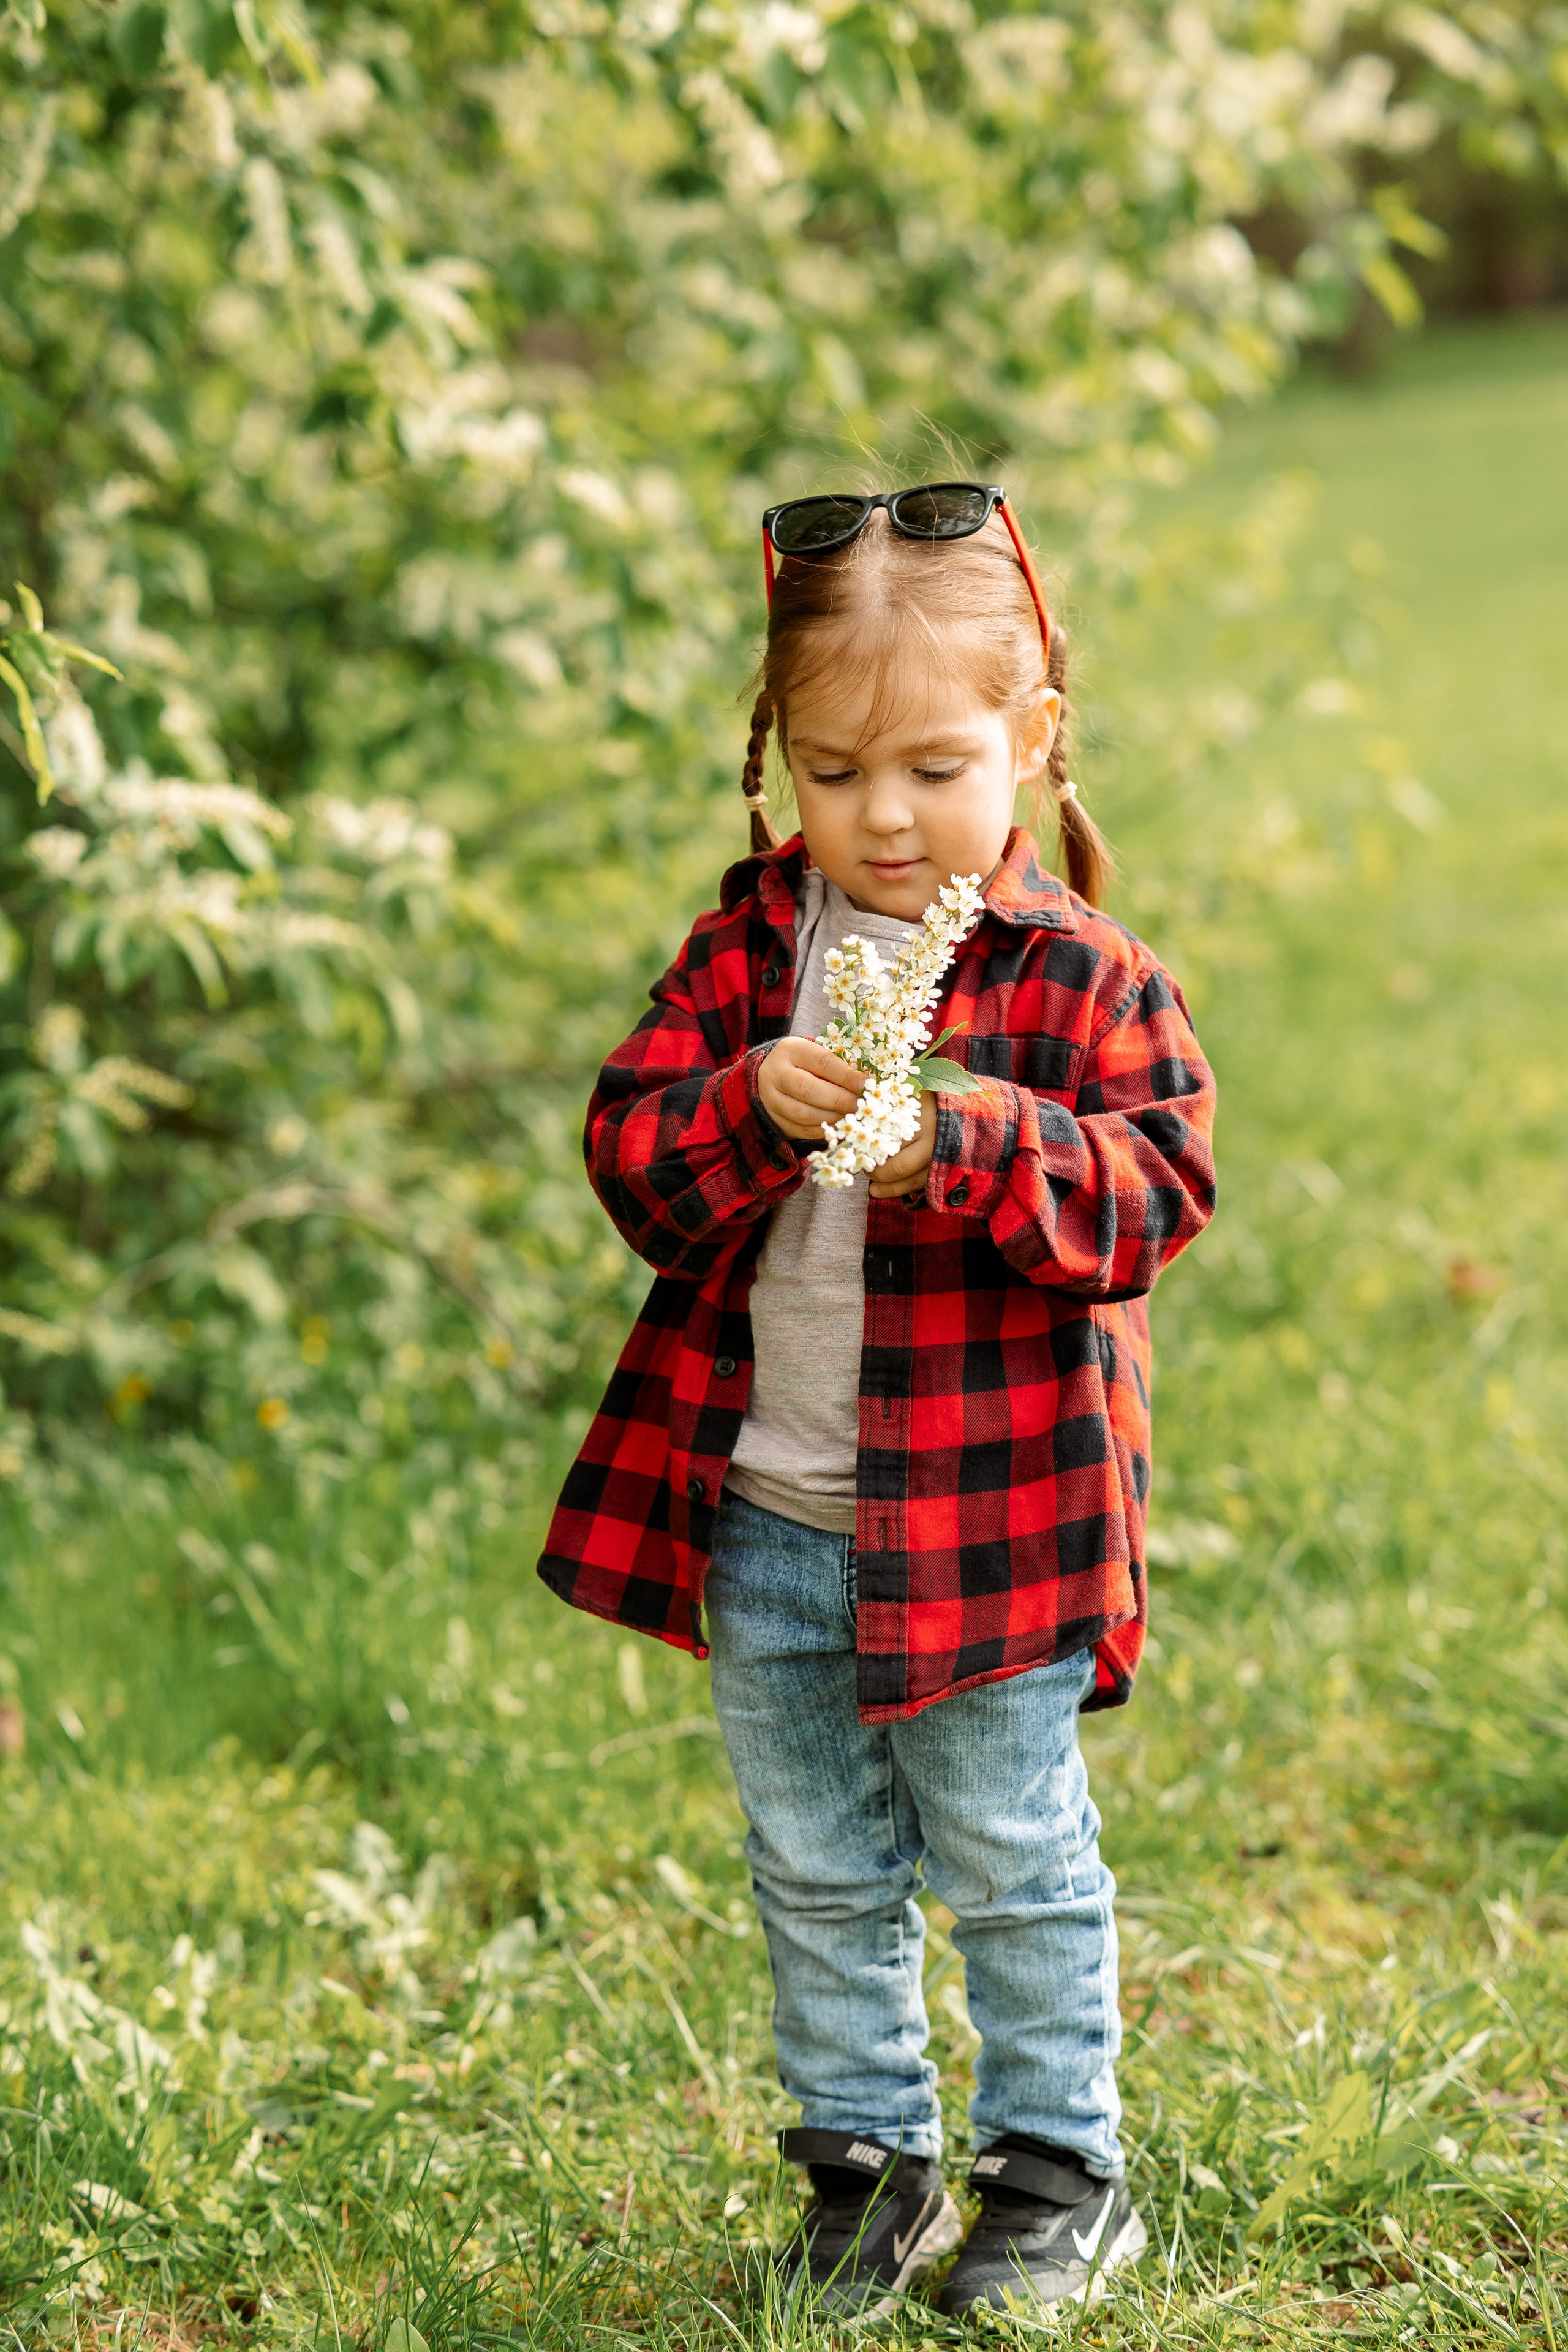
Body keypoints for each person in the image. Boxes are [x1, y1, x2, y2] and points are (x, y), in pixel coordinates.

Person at [538, 483, 1218, 2321]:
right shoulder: (750, 949)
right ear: (781, 763)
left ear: (1031, 740)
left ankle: (1062, 2168)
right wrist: (743, 1106)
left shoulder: (1082, 978)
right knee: (816, 1861)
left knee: (1012, 1857)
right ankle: (865, 2166)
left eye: (933, 767)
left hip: (993, 1528)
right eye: (836, 773)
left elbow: (1153, 1198)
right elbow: (630, 1162)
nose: (886, 818)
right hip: (769, 1508)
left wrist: (969, 1141)